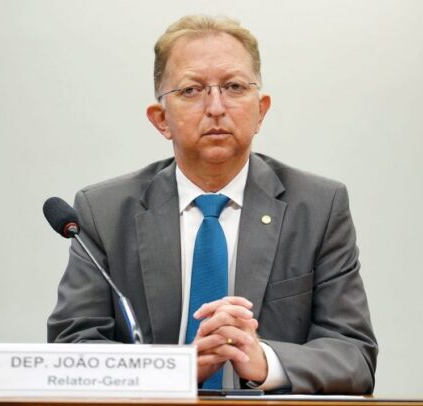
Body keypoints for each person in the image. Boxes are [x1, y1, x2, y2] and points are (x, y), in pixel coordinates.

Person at [48, 14, 378, 394]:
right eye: (191, 90)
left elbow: (353, 355)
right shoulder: (102, 212)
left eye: (234, 86)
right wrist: (174, 371)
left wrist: (264, 360)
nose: (217, 107)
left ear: (261, 110)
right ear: (161, 119)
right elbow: (70, 348)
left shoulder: (318, 208)